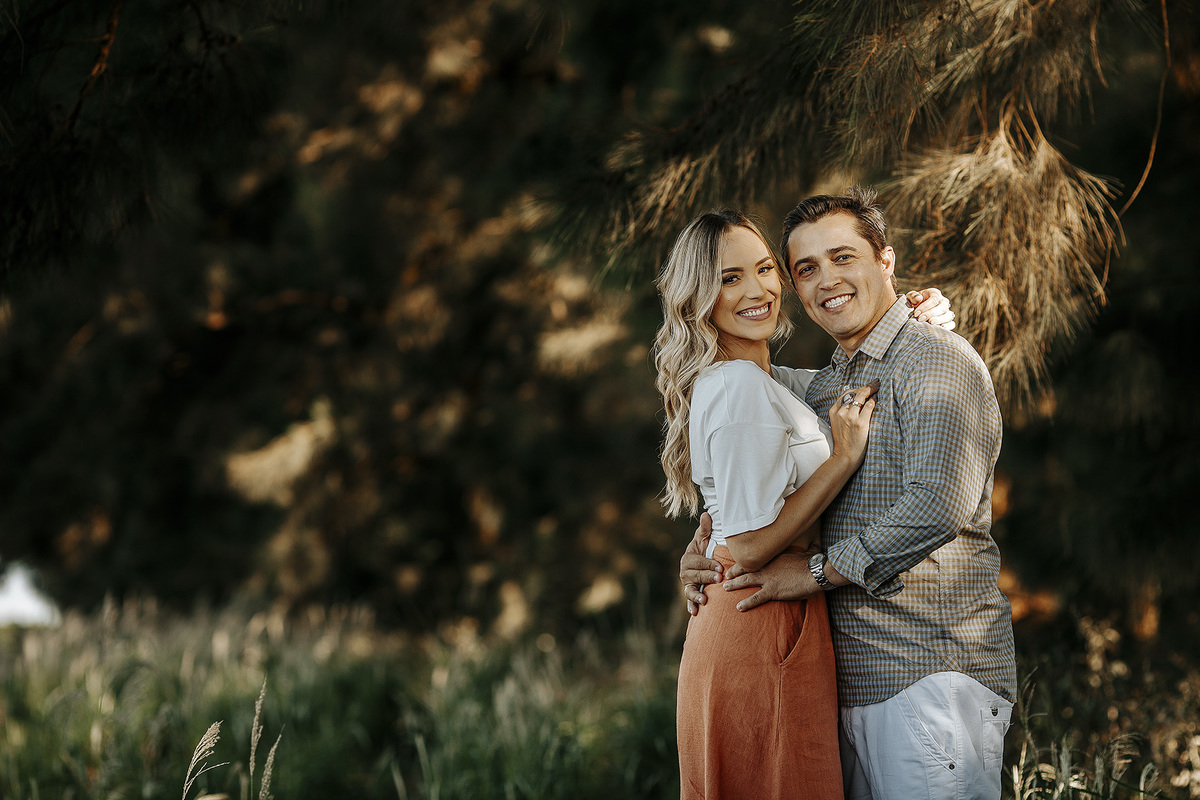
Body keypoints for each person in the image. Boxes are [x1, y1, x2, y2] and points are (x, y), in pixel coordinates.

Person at [680, 187, 1017, 800]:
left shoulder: (936, 360)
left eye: (843, 257)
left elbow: (938, 503)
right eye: (805, 268)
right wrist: (707, 544)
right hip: (846, 681)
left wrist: (814, 573)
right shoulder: (826, 385)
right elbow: (746, 433)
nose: (825, 280)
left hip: (927, 672)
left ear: (885, 260)